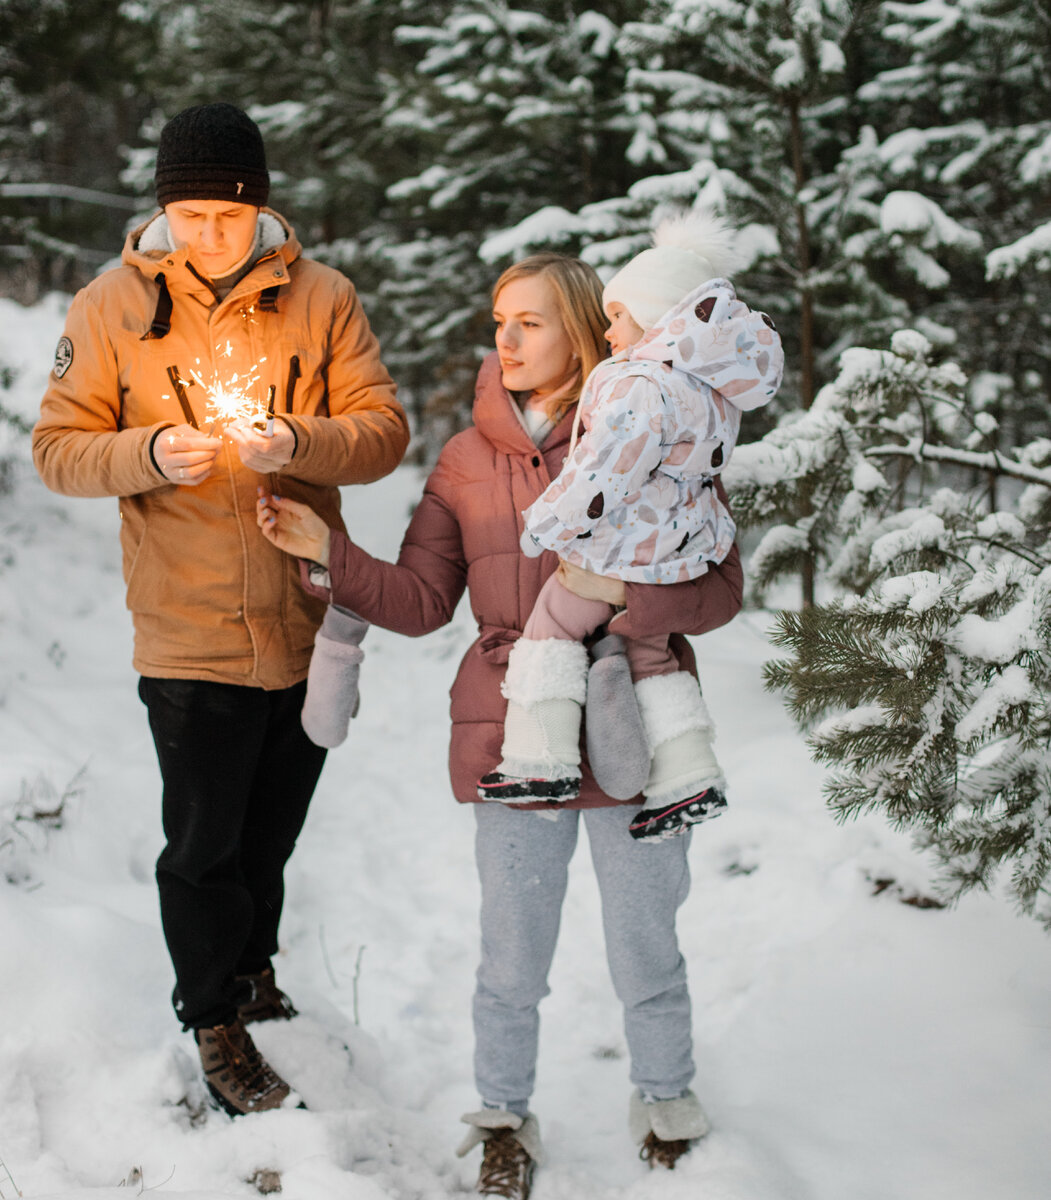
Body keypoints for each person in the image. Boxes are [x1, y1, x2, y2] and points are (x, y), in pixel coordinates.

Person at [255, 251, 744, 1196]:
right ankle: (503, 1117)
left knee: (647, 944)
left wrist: (627, 604)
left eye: (527, 322)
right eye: (497, 323)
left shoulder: (660, 423)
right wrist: (330, 553)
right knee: (511, 952)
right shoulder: (465, 460)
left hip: (635, 723)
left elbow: (720, 587)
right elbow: (423, 597)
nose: (505, 341)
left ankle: (666, 1100)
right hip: (510, 732)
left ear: (580, 326)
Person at [31, 102, 409, 1117]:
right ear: (164, 211)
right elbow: (58, 448)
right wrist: (147, 454)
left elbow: (382, 431)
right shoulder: (109, 307)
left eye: (228, 218)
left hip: (300, 614)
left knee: (270, 832)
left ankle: (251, 971)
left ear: (260, 208)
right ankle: (211, 1017)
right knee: (202, 843)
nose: (209, 238)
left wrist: (299, 443)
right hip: (186, 622)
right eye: (190, 216)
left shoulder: (322, 298)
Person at [478, 211, 784, 842]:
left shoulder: (641, 384)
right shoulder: (709, 387)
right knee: (652, 655)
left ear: (658, 319)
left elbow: (603, 471)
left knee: (552, 625)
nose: (608, 327)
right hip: (681, 549)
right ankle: (689, 775)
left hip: (622, 548)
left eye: (619, 315)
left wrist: (548, 521)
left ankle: (542, 759)